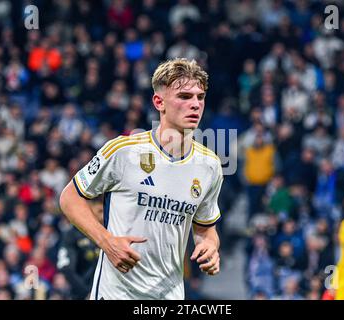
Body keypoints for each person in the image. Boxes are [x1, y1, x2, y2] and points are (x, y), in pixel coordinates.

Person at [59, 58, 223, 300]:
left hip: (169, 295)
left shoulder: (210, 166)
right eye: (185, 97)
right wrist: (107, 241)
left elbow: (206, 229)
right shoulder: (123, 151)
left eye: (200, 97)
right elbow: (69, 198)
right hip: (114, 294)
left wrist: (211, 246)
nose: (195, 105)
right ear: (159, 102)